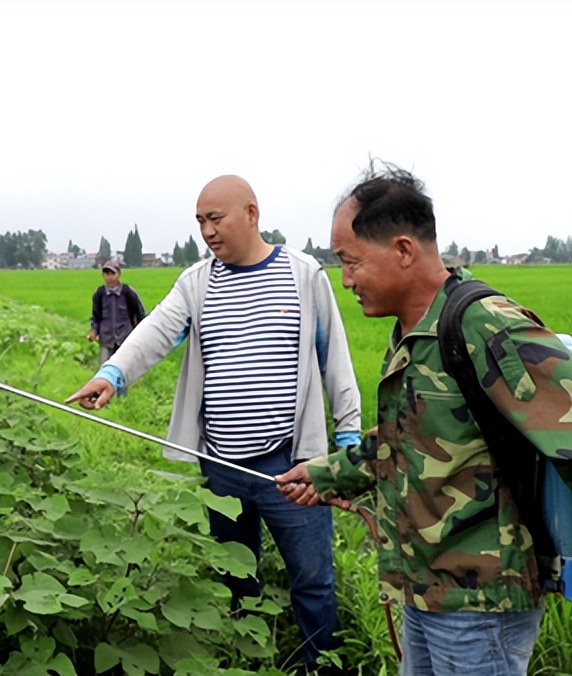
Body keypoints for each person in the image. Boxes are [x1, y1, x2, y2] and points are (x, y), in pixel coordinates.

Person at [275, 162, 572, 676]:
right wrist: (325, 473)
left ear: (404, 250)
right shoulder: (416, 331)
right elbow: (408, 438)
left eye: (352, 262)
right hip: (424, 591)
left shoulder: (482, 326)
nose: (347, 280)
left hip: (480, 610)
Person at [65, 175, 362, 669]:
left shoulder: (303, 275)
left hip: (291, 465)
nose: (207, 230)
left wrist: (348, 441)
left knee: (312, 578)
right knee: (235, 574)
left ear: (251, 213)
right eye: (200, 221)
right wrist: (112, 375)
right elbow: (155, 330)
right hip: (219, 465)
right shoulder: (197, 282)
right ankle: (247, 657)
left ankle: (320, 663)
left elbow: (336, 361)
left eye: (215, 218)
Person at [86, 261, 146, 366]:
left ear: (119, 274)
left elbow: (140, 314)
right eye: (106, 274)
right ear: (103, 275)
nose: (110, 277)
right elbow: (96, 317)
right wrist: (94, 331)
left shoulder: (128, 292)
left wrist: (141, 334)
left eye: (112, 273)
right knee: (105, 369)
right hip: (106, 339)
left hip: (125, 338)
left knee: (124, 369)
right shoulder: (99, 294)